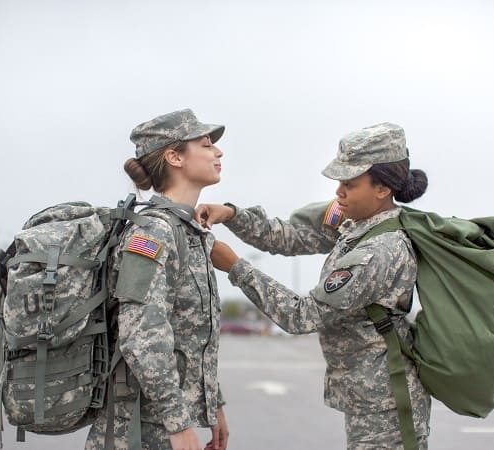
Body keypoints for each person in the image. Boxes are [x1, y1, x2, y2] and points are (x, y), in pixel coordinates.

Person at [198, 123, 431, 449]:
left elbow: (301, 316)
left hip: (386, 404)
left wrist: (235, 267)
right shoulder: (355, 223)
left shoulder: (380, 250)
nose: (339, 192)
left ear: (382, 189)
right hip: (369, 395)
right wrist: (232, 215)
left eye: (349, 183)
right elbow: (290, 235)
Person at [85, 109, 229, 450]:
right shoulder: (153, 232)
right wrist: (178, 425)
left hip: (162, 424)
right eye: (207, 145)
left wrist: (214, 405)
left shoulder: (186, 231)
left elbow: (191, 335)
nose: (219, 152)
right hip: (140, 429)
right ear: (174, 157)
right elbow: (141, 335)